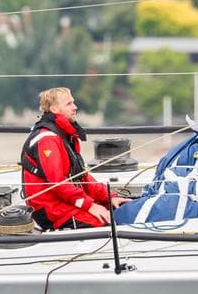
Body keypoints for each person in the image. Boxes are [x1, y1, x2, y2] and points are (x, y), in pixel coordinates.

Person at [21, 87, 128, 230]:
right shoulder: (48, 140)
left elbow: (81, 177)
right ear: (54, 108)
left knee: (120, 209)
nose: (75, 107)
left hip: (65, 202)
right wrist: (89, 206)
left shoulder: (63, 136)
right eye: (69, 104)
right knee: (105, 225)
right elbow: (57, 182)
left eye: (73, 102)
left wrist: (109, 196)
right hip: (50, 209)